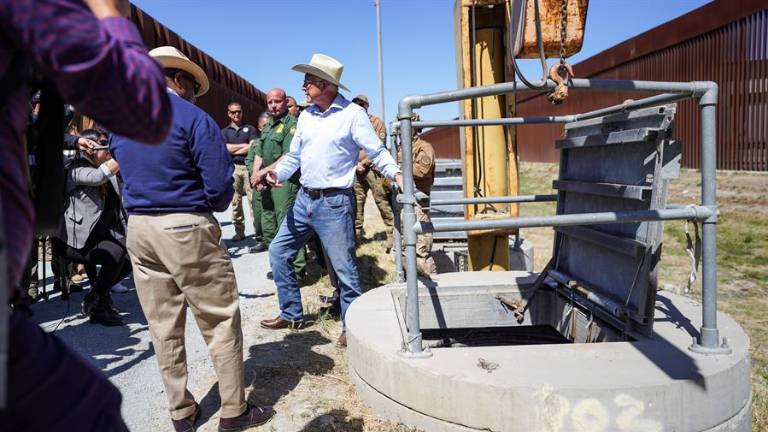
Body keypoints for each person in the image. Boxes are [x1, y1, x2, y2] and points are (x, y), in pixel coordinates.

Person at [0, 0, 172, 430]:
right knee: (88, 412)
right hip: (75, 235)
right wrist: (110, 13)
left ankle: (98, 295)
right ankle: (94, 295)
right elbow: (143, 107)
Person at [109, 46, 275, 431]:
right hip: (185, 224)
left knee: (162, 324)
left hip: (140, 228)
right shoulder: (193, 118)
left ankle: (181, 412)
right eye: (191, 87)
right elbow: (219, 189)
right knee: (218, 319)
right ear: (179, 80)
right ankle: (234, 410)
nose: (192, 94)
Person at [253, 53, 402, 347]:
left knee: (344, 270)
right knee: (279, 252)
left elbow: (377, 151)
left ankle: (352, 326)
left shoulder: (352, 115)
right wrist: (277, 174)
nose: (304, 85)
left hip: (334, 203)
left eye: (308, 80)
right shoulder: (306, 116)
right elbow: (295, 156)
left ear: (326, 84)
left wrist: (397, 174)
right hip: (304, 200)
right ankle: (292, 313)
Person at [52, 128, 131, 326]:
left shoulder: (106, 167)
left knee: (132, 255)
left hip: (99, 236)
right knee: (116, 254)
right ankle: (98, 304)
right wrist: (126, 150)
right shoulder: (74, 169)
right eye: (106, 146)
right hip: (73, 241)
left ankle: (95, 297)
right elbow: (97, 177)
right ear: (90, 150)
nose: (110, 151)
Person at [246, 88, 305, 279]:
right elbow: (260, 153)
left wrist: (262, 172)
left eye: (277, 102)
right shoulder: (269, 124)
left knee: (286, 223)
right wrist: (256, 175)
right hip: (266, 181)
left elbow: (288, 155)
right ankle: (279, 266)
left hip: (284, 181)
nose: (273, 105)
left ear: (285, 101)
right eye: (269, 102)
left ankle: (296, 270)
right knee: (268, 221)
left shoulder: (292, 125)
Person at [351, 94, 394, 251]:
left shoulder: (376, 123)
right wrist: (355, 164)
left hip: (373, 169)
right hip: (357, 170)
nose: (359, 106)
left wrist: (363, 163)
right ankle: (356, 237)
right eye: (356, 104)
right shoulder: (351, 122)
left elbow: (379, 146)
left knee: (381, 201)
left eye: (362, 104)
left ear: (367, 106)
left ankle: (392, 236)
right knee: (356, 203)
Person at [401, 115, 437, 276]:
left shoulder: (424, 147)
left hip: (418, 202)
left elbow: (421, 171)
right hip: (403, 201)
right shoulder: (401, 147)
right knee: (405, 245)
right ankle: (410, 282)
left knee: (421, 246)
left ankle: (431, 282)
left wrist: (397, 170)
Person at [221, 102, 258, 242]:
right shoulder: (224, 132)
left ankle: (258, 231)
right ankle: (239, 231)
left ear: (242, 112)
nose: (236, 114)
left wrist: (235, 148)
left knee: (252, 200)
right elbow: (225, 148)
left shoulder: (250, 129)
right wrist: (245, 145)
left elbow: (253, 147)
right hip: (233, 167)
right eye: (233, 112)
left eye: (239, 111)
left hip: (249, 166)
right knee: (235, 201)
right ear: (229, 113)